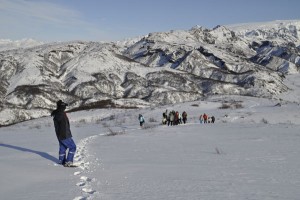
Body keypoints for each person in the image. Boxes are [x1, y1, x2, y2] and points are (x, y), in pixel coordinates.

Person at [51, 100, 76, 167]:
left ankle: (61, 161)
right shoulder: (60, 114)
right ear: (62, 107)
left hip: (60, 134)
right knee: (73, 147)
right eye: (64, 106)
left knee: (63, 147)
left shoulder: (57, 113)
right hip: (64, 134)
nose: (65, 107)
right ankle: (69, 162)